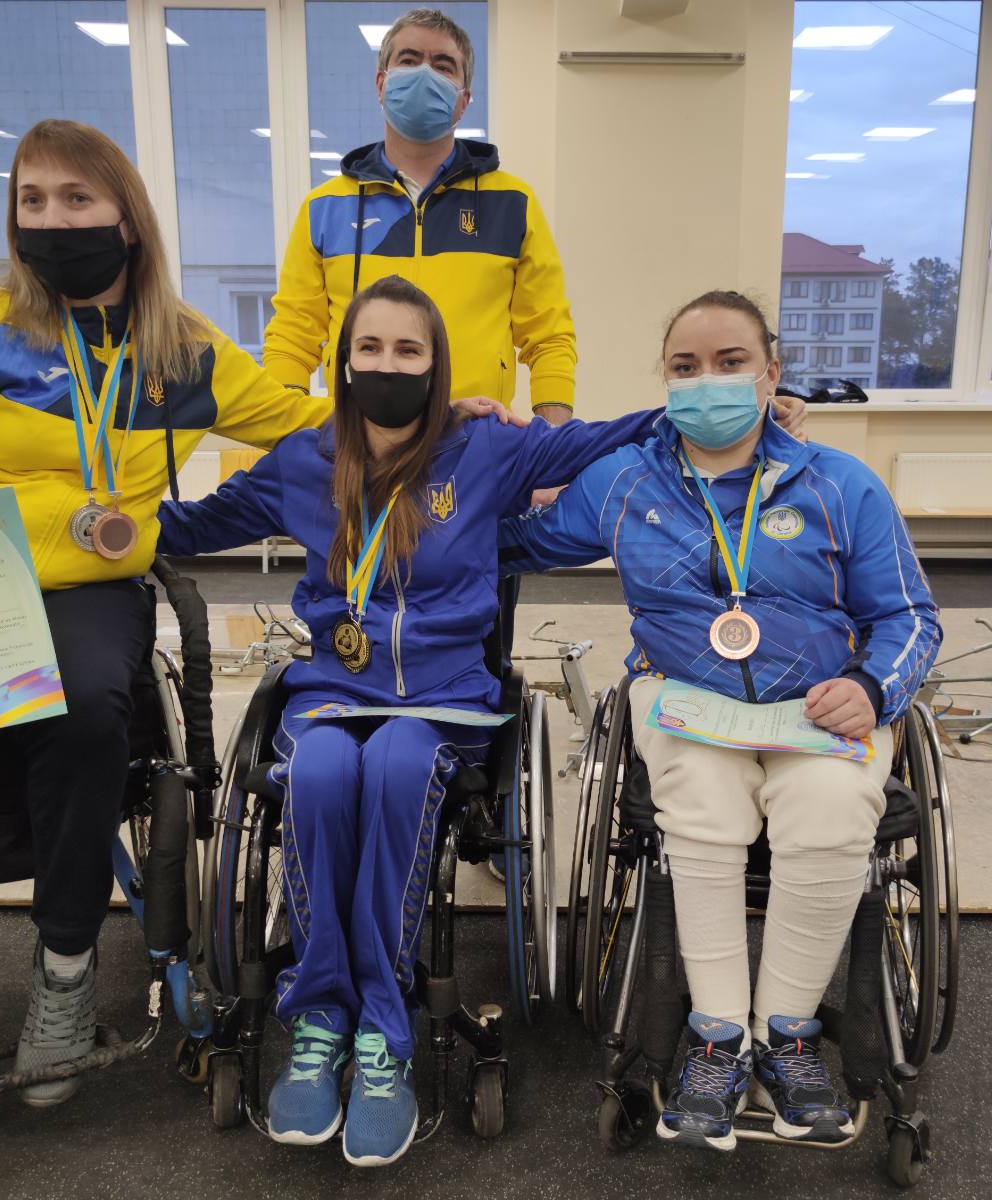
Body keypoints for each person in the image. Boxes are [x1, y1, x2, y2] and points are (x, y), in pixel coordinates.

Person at [0, 119, 365, 1108]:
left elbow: (306, 421)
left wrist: (445, 413)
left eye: (76, 199)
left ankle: (65, 969)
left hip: (88, 586)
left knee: (87, 711)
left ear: (126, 218)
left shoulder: (181, 351)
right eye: (33, 200)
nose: (53, 220)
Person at [155, 274, 665, 1166]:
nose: (387, 365)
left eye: (408, 350)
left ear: (436, 366)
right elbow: (191, 527)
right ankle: (321, 1018)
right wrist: (72, 519)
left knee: (395, 763)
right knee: (320, 771)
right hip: (333, 689)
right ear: (343, 361)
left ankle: (382, 1033)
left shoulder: (484, 449)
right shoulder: (304, 459)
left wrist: (704, 412)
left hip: (443, 698)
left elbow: (601, 437)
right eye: (370, 348)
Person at [501, 290, 941, 1151]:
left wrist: (872, 687)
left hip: (816, 705)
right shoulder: (624, 480)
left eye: (729, 363)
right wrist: (477, 458)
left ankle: (788, 1037)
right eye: (685, 366)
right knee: (701, 801)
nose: (707, 381)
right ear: (665, 382)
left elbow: (910, 617)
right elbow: (511, 540)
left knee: (830, 809)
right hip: (686, 700)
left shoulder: (842, 484)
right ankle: (717, 1037)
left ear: (771, 374)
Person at [260, 7, 578, 426]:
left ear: (463, 100)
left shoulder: (512, 202)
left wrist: (554, 442)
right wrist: (288, 436)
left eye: (443, 66)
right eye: (409, 60)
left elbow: (549, 335)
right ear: (381, 83)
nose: (425, 74)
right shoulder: (325, 207)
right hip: (361, 439)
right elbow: (292, 336)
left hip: (477, 438)